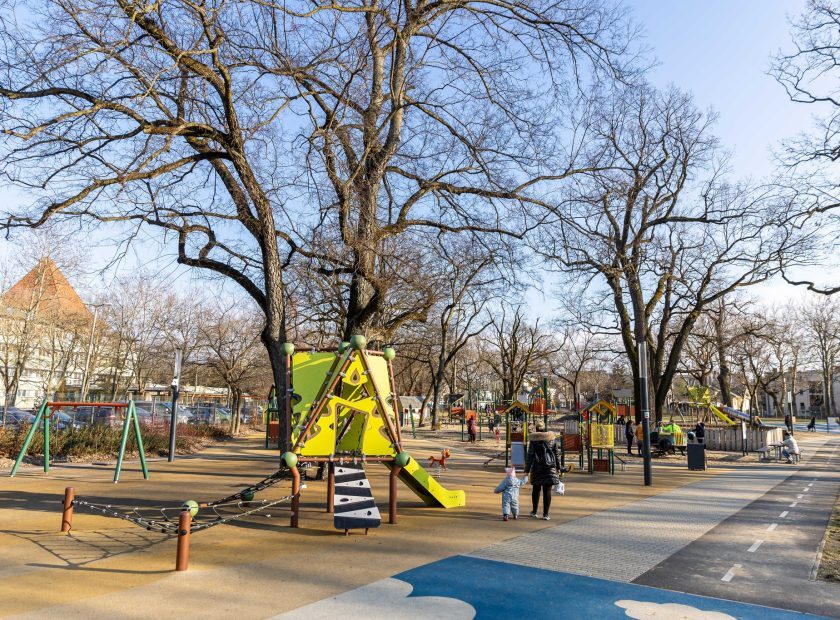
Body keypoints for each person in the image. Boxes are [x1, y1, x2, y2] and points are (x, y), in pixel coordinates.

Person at [524, 420, 562, 520]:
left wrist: (526, 471)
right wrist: (558, 468)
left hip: (537, 468)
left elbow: (530, 456)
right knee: (547, 491)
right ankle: (546, 514)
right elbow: (556, 455)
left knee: (536, 490)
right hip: (550, 468)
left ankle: (534, 511)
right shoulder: (552, 439)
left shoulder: (534, 440)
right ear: (544, 428)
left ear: (536, 428)